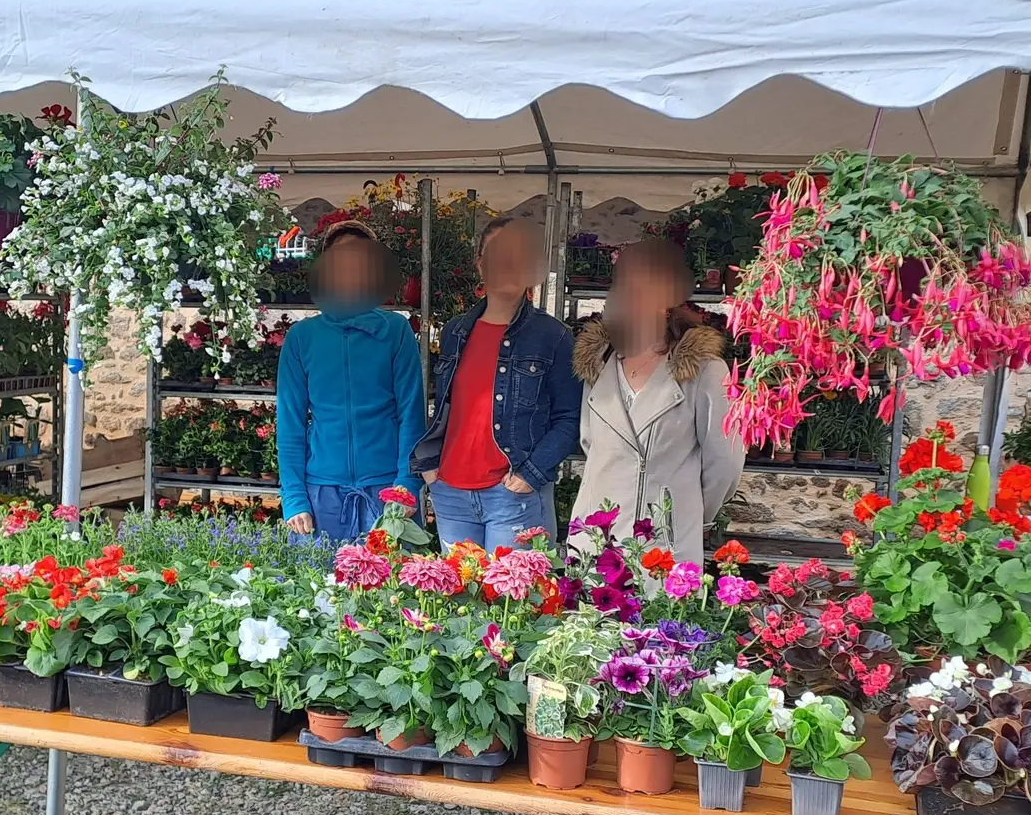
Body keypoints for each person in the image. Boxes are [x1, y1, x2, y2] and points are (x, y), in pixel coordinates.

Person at [569, 237, 744, 562]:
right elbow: (590, 443)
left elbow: (725, 462)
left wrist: (685, 512)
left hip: (664, 544)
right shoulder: (599, 363)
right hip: (597, 539)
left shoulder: (705, 371)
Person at [412, 218, 581, 552]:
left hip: (510, 495)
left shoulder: (554, 337)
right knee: (459, 601)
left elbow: (570, 418)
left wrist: (529, 475)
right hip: (451, 494)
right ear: (480, 264)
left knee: (510, 601)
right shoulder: (455, 332)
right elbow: (446, 408)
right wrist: (431, 469)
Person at [277, 220, 425, 540]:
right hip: (321, 497)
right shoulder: (302, 337)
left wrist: (407, 485)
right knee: (314, 588)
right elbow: (290, 423)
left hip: (388, 494)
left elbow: (411, 415)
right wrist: (293, 498)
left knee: (392, 590)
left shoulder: (396, 331)